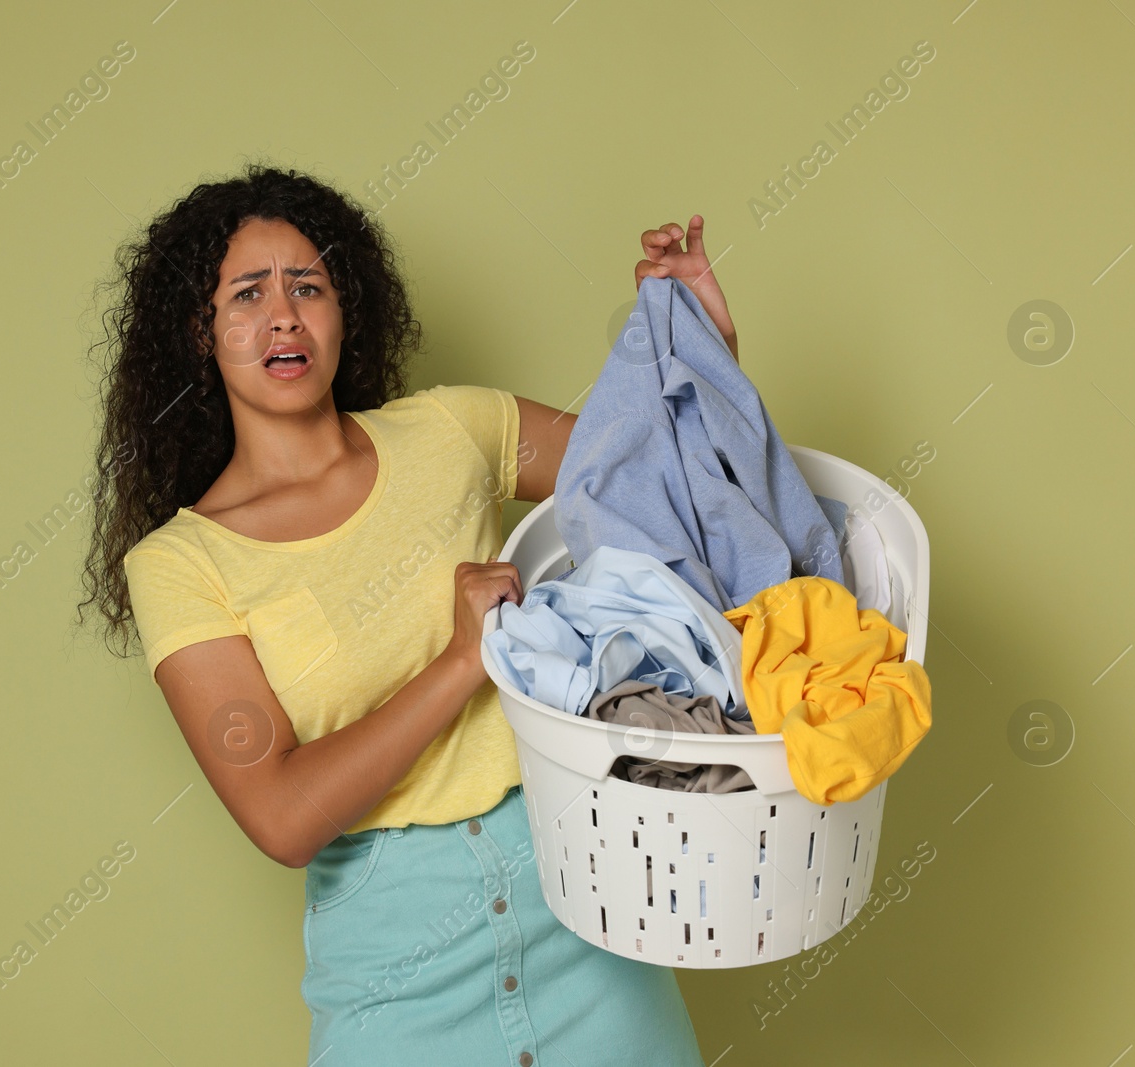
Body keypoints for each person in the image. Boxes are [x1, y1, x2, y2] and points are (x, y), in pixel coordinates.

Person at [78, 161, 738, 1066]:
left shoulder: (453, 430)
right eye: (246, 294)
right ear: (200, 332)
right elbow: (279, 813)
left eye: (308, 285)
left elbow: (672, 489)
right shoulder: (181, 564)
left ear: (346, 308)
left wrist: (697, 336)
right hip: (395, 963)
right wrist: (463, 660)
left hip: (581, 904)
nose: (284, 314)